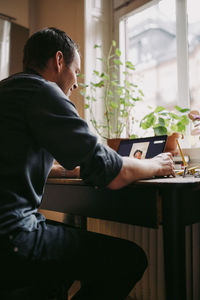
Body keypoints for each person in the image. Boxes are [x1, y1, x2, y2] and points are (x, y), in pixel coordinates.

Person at [0, 27, 175, 300]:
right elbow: (112, 173)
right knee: (128, 259)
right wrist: (157, 165)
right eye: (77, 72)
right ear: (59, 61)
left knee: (69, 242)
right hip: (11, 239)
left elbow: (16, 162)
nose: (77, 83)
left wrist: (67, 168)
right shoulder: (43, 91)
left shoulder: (9, 90)